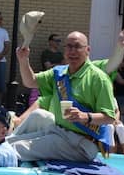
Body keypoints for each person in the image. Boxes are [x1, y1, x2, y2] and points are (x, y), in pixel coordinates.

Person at [11, 31, 116, 162]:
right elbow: (30, 82)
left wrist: (84, 116)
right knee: (7, 143)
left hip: (82, 144)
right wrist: (23, 60)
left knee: (16, 149)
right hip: (59, 133)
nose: (72, 51)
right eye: (69, 46)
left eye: (77, 47)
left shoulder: (98, 79)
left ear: (87, 50)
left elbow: (109, 117)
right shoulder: (59, 73)